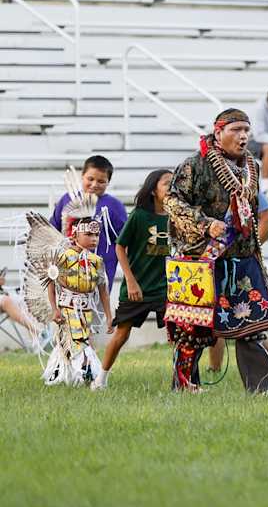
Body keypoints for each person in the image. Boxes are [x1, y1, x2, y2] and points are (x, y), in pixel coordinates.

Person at [165, 107, 268, 393]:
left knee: (252, 323)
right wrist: (205, 224)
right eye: (235, 130)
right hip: (202, 258)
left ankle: (264, 387)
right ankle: (185, 385)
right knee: (193, 328)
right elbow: (172, 202)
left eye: (246, 130)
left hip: (243, 258)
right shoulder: (195, 165)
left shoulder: (251, 167)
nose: (243, 136)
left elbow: (254, 213)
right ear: (218, 133)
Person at [95, 169, 172, 390]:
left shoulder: (177, 217)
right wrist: (130, 281)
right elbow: (120, 246)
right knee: (122, 333)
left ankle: (184, 381)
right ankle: (101, 379)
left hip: (165, 288)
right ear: (153, 190)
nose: (172, 187)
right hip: (136, 288)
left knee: (179, 334)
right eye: (167, 184)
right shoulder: (139, 215)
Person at [206, 188, 268, 376]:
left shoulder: (241, 185)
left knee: (223, 312)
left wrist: (249, 250)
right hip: (217, 258)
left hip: (228, 261)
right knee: (236, 313)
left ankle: (213, 370)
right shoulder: (235, 182)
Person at [40, 215, 113, 386]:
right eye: (88, 234)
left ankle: (59, 373)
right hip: (67, 306)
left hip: (86, 309)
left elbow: (103, 290)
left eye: (96, 235)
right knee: (78, 339)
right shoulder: (63, 257)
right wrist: (54, 309)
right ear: (75, 235)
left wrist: (109, 316)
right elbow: (49, 282)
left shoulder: (96, 261)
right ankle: (86, 372)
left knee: (71, 341)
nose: (94, 239)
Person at [51, 155, 128, 287]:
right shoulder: (68, 199)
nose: (94, 185)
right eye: (90, 179)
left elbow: (125, 240)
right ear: (82, 176)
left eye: (101, 181)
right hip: (67, 267)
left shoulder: (115, 206)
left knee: (96, 306)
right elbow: (53, 228)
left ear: (108, 182)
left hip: (99, 271)